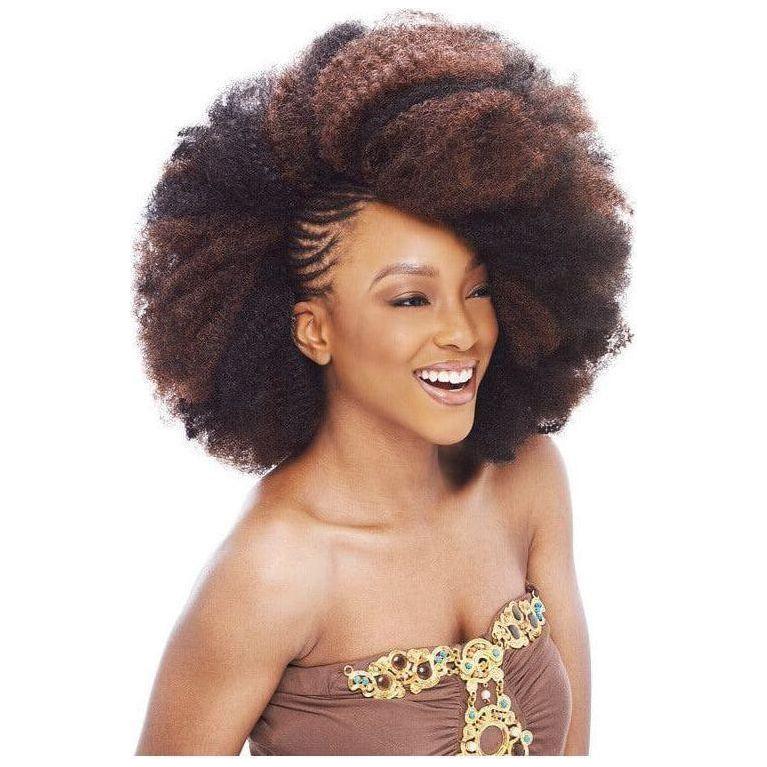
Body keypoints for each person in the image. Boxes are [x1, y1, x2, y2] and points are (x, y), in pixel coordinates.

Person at [132, 10, 632, 756]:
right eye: (409, 299)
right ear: (313, 331)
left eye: (478, 288)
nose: (462, 331)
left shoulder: (525, 480)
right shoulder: (273, 572)